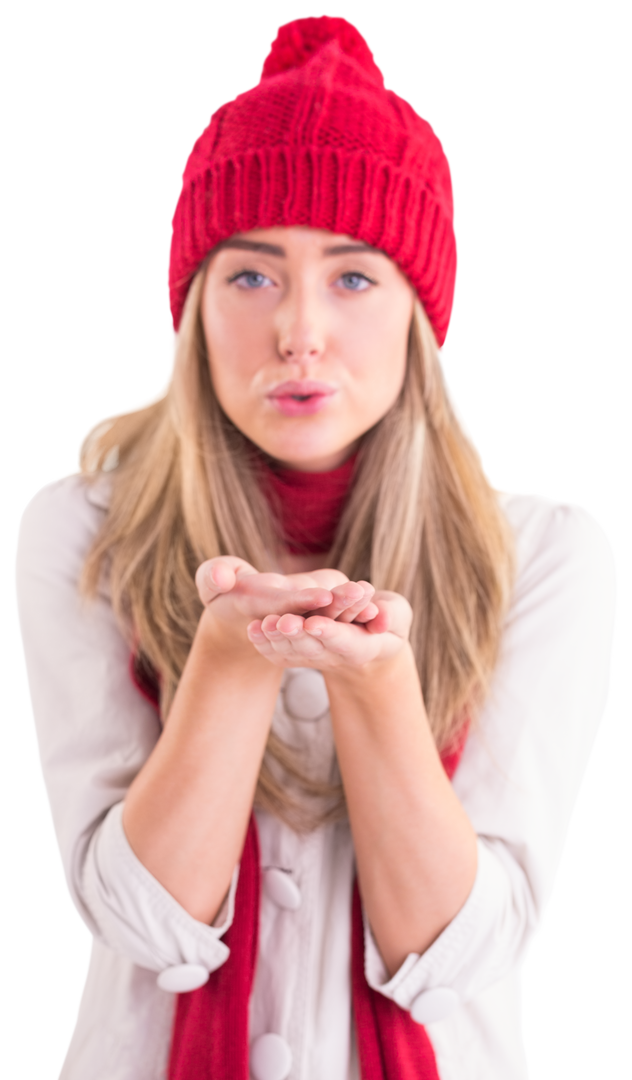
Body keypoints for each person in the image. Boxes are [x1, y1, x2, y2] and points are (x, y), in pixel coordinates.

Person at [11, 12, 620, 1080]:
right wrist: (231, 667)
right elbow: (138, 926)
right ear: (190, 310)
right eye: (250, 277)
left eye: (351, 277)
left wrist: (379, 689)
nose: (299, 330)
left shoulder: (547, 555)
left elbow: (462, 959)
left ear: (418, 319)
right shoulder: (82, 528)